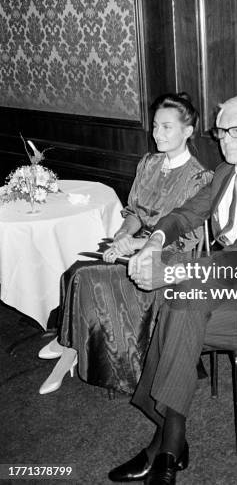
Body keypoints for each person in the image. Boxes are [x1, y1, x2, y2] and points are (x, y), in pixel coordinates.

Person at [108, 94, 237, 484]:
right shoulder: (226, 172)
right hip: (234, 284)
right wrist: (155, 240)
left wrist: (170, 274)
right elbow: (187, 213)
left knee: (178, 300)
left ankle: (166, 442)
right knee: (182, 306)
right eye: (222, 131)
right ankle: (170, 445)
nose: (226, 139)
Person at [38, 92, 213, 395]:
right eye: (155, 126)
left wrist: (135, 244)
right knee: (77, 266)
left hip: (167, 259)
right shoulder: (148, 164)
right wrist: (122, 234)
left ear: (188, 131)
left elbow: (185, 238)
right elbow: (135, 212)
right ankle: (72, 343)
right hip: (134, 243)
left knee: (86, 275)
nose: (157, 134)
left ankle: (69, 347)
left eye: (167, 127)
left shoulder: (199, 178)